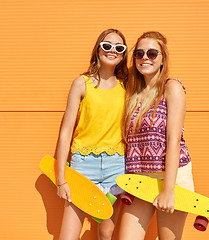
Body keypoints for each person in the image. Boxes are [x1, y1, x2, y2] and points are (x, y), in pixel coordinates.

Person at [118, 31, 194, 240]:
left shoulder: (172, 88)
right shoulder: (131, 92)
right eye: (139, 53)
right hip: (143, 178)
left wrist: (169, 190)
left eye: (152, 53)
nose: (145, 57)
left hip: (173, 177)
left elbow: (173, 141)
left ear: (162, 58)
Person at [55, 29, 128, 240]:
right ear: (98, 49)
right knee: (68, 236)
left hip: (117, 166)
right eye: (106, 45)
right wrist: (61, 180)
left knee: (106, 233)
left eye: (119, 48)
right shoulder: (81, 83)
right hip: (83, 165)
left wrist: (174, 85)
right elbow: (66, 132)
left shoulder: (127, 87)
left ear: (123, 56)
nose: (112, 50)